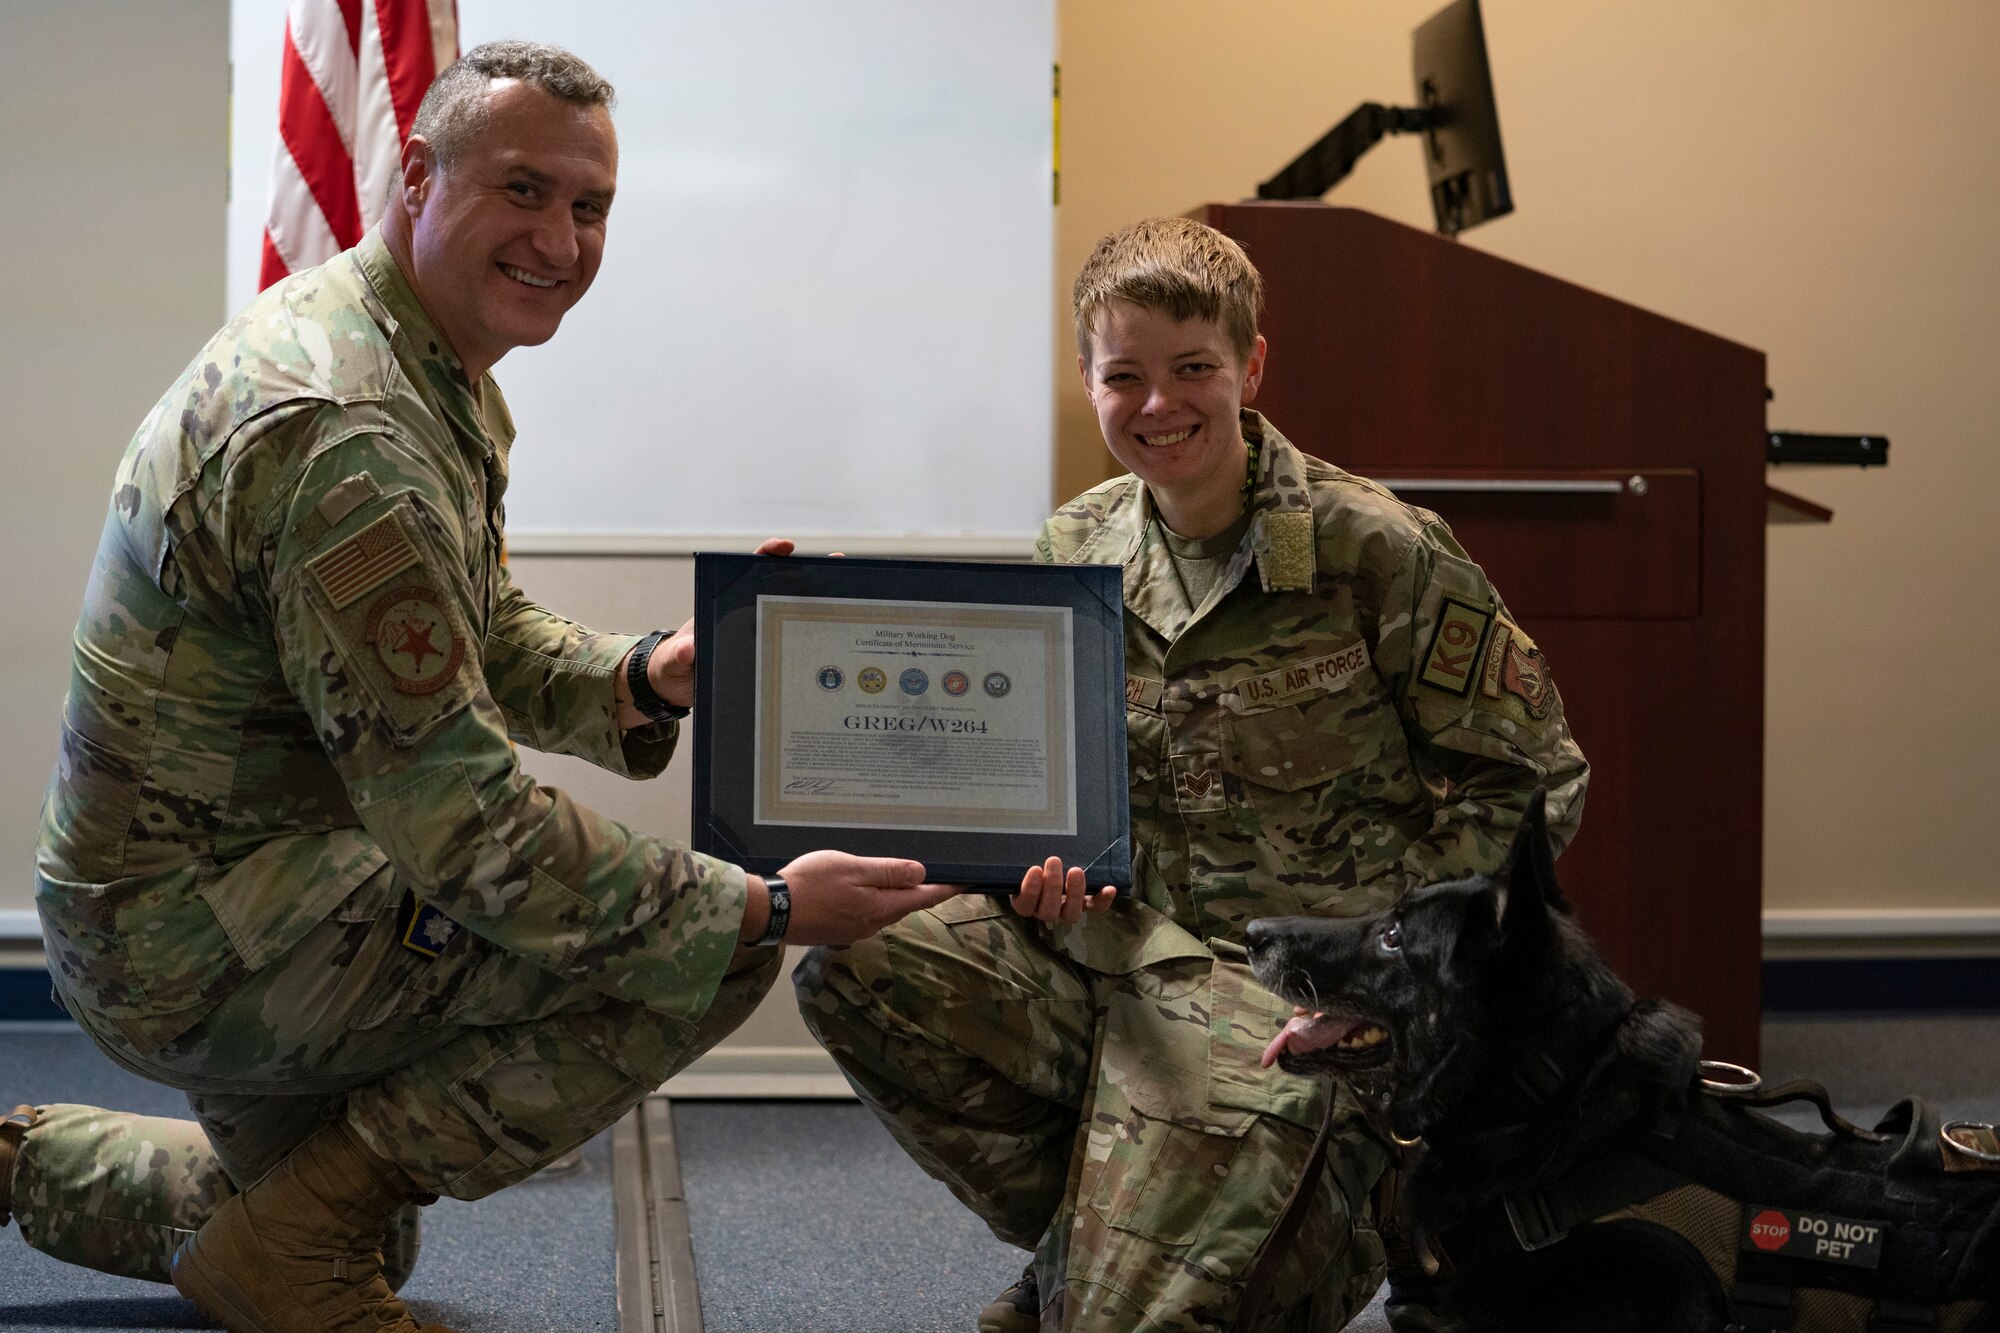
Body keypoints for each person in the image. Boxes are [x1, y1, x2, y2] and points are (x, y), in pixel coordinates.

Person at [0, 41, 954, 1332]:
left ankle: (37, 1167)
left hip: (208, 893)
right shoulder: (352, 432)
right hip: (198, 937)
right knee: (703, 949)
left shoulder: (402, 353)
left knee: (352, 1224)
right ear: (416, 176)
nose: (561, 240)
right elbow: (469, 832)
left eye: (591, 206)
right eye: (523, 190)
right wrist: (771, 902)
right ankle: (287, 1252)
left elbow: (474, 625)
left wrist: (644, 677)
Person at [795, 217, 1590, 1332]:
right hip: (1124, 952)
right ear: (1087, 382)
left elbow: (1533, 782)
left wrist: (1388, 970)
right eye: (1123, 375)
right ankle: (1109, 1227)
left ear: (1248, 367)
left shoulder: (1376, 550)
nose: (1157, 404)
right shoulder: (1074, 544)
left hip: (1298, 989)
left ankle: (1312, 1205)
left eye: (1191, 370)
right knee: (857, 965)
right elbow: (1037, 778)